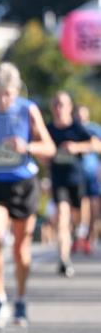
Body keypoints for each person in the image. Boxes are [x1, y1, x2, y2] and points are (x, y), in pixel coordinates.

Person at [0, 62, 55, 327]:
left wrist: (27, 145)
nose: (4, 99)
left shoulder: (28, 110)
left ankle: (21, 298)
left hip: (23, 183)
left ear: (16, 91)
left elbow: (49, 147)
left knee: (20, 249)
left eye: (9, 93)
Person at [46, 92, 100, 276]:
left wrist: (76, 147)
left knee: (75, 220)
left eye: (62, 105)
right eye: (56, 105)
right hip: (57, 180)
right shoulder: (48, 129)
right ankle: (63, 258)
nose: (59, 108)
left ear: (70, 107)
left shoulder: (77, 128)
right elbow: (38, 148)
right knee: (62, 217)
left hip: (76, 180)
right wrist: (46, 156)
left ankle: (80, 234)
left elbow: (96, 144)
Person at [75, 104, 101, 253]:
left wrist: (90, 146)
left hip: (92, 174)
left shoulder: (93, 128)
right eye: (78, 115)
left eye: (83, 114)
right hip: (77, 174)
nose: (81, 117)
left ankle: (90, 236)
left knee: (94, 207)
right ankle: (81, 236)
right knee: (81, 205)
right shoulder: (73, 128)